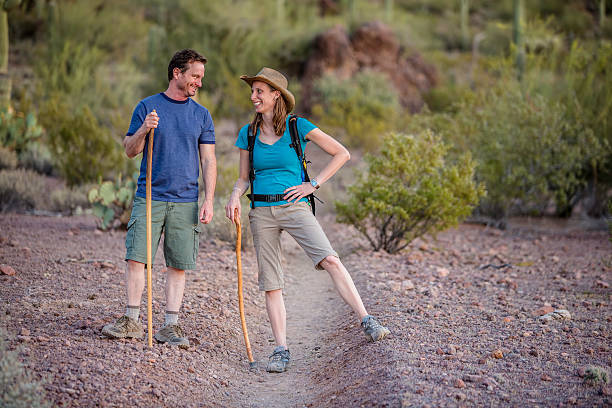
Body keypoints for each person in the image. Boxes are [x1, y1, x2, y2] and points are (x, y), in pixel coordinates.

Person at [225, 67, 389, 373]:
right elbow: (242, 178)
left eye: (259, 91)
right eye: (252, 91)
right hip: (261, 212)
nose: (253, 96)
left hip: (295, 206)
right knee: (272, 282)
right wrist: (234, 196)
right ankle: (281, 349)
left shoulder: (297, 126)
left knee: (330, 259)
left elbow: (342, 153)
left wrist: (312, 184)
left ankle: (366, 319)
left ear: (276, 95)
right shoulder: (247, 133)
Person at [102, 49, 216, 348]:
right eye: (195, 76)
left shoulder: (201, 115)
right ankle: (131, 320)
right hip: (149, 196)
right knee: (137, 258)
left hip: (186, 199)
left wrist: (209, 198)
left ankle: (170, 325)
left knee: (178, 264)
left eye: (201, 78)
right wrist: (144, 128)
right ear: (176, 73)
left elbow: (209, 160)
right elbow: (129, 150)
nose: (198, 83)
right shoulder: (147, 106)